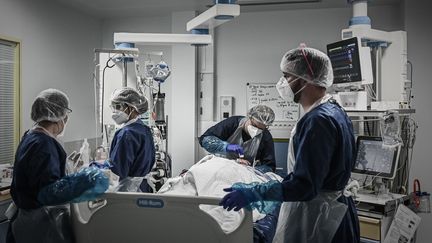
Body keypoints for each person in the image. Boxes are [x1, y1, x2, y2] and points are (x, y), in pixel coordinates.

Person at [220, 46, 360, 243]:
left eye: (286, 76)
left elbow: (304, 186)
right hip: (333, 211)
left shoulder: (318, 121)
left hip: (320, 218)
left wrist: (254, 193)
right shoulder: (334, 111)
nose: (282, 83)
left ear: (304, 79)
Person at [7, 89, 109, 243]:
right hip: (39, 223)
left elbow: (37, 174)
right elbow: (48, 192)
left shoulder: (31, 136)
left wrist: (66, 165)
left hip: (25, 217)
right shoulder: (44, 144)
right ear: (59, 117)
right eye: (65, 117)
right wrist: (83, 180)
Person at [199, 105, 276, 172]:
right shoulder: (232, 123)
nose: (256, 130)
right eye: (254, 126)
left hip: (244, 172)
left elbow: (269, 166)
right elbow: (205, 140)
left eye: (260, 129)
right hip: (220, 166)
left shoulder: (265, 137)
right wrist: (225, 147)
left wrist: (252, 169)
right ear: (249, 117)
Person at [109, 87, 155, 192]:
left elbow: (118, 170)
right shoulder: (143, 128)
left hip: (129, 190)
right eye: (113, 107)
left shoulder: (127, 134)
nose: (114, 111)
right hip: (143, 187)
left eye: (118, 107)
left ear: (132, 108)